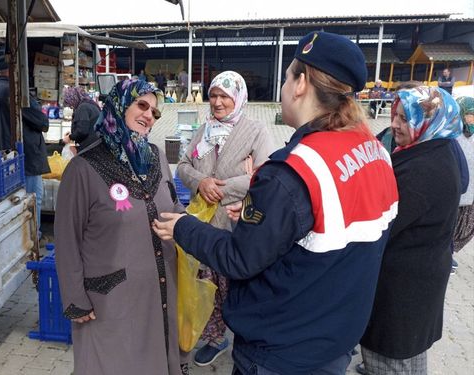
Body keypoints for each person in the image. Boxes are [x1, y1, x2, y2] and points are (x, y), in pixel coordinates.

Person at [153, 31, 399, 374]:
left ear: (300, 85)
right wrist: (265, 220)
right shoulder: (375, 152)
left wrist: (183, 227)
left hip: (282, 350)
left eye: (286, 77)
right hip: (335, 339)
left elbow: (239, 258)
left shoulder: (293, 170)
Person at [54, 78, 186, 375]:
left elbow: (174, 207)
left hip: (158, 293)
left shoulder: (157, 158)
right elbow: (66, 240)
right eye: (141, 105)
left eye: (154, 112)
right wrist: (76, 298)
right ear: (120, 105)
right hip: (110, 302)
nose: (148, 116)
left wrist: (199, 233)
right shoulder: (83, 168)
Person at [359, 86, 463, 375]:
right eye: (396, 116)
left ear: (430, 120)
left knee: (393, 362)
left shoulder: (423, 170)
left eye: (405, 119)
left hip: (402, 297)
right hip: (415, 287)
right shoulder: (432, 150)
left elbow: (382, 225)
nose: (394, 125)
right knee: (406, 361)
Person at [176, 70, 276, 367]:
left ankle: (245, 337)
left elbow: (266, 175)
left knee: (237, 282)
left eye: (225, 97)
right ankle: (215, 338)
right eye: (214, 96)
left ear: (239, 98)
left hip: (236, 221)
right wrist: (199, 181)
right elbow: (182, 165)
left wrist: (224, 187)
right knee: (207, 282)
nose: (218, 103)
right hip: (203, 220)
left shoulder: (256, 131)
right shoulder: (204, 129)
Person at [0, 48, 49, 232]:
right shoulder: (17, 92)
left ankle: (19, 241)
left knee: (11, 205)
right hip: (26, 159)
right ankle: (32, 240)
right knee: (31, 201)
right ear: (14, 68)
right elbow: (42, 122)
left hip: (3, 160)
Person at [453, 96, 474, 253]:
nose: (472, 119)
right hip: (453, 199)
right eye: (470, 114)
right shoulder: (452, 136)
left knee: (466, 233)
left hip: (470, 201)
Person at [59, 86, 101, 153]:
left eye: (69, 103)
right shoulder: (90, 104)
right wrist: (74, 133)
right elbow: (86, 125)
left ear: (73, 99)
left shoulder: (83, 107)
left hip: (90, 146)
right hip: (97, 143)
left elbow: (82, 131)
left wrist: (70, 137)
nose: (70, 106)